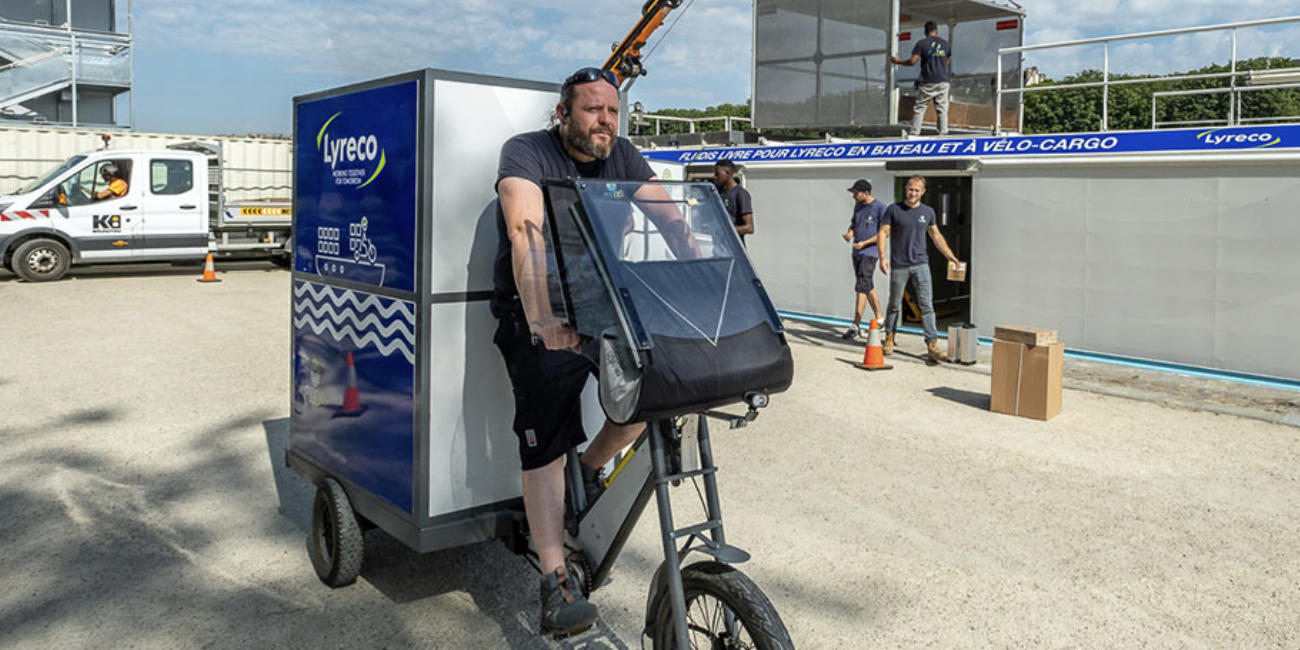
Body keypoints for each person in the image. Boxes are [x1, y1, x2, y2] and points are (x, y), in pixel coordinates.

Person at [493, 66, 698, 638]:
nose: (605, 120)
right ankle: (555, 581)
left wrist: (704, 285)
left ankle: (588, 474)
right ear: (564, 114)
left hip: (603, 306)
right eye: (592, 109)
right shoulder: (527, 153)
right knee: (546, 442)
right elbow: (525, 231)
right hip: (541, 313)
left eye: (612, 110)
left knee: (650, 398)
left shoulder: (623, 156)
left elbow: (672, 218)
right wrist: (542, 319)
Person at [879, 175, 962, 362]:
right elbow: (883, 233)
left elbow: (936, 236)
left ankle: (932, 345)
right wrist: (882, 257)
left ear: (923, 192)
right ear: (905, 189)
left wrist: (949, 255)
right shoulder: (893, 209)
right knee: (894, 304)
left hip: (921, 264)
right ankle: (889, 339)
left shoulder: (928, 212)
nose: (913, 193)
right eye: (910, 189)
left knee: (927, 305)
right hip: (899, 264)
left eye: (917, 190)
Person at [890, 21, 952, 137]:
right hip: (943, 81)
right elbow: (948, 59)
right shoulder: (945, 44)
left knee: (920, 108)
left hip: (927, 80)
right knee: (942, 109)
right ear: (936, 31)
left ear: (925, 32)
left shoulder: (921, 44)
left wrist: (898, 62)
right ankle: (943, 133)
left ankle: (914, 133)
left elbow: (913, 61)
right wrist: (941, 68)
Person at [841, 179, 885, 339]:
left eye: (856, 193)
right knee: (866, 285)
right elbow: (854, 223)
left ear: (866, 193)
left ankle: (855, 325)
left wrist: (864, 243)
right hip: (857, 253)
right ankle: (880, 318)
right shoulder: (858, 206)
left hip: (870, 253)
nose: (853, 196)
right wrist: (850, 233)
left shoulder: (880, 208)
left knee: (861, 286)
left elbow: (884, 232)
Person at [712, 159, 753, 242]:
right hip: (719, 246)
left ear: (728, 173)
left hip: (734, 247)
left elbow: (749, 228)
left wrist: (725, 231)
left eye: (718, 174)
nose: (715, 177)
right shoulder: (719, 193)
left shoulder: (741, 194)